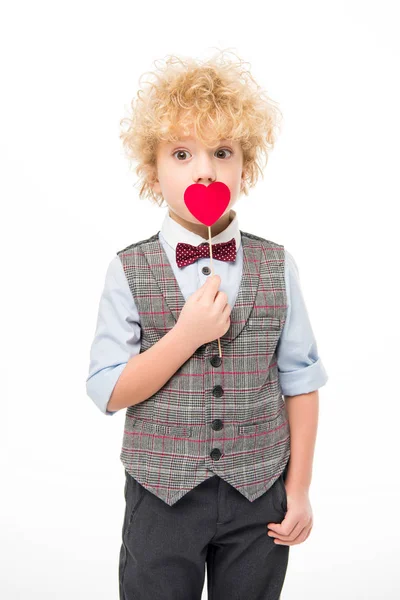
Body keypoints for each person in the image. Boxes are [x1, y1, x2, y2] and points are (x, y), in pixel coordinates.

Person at [86, 49, 328, 599]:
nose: (205, 170)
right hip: (161, 496)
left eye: (223, 152)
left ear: (247, 163)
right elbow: (107, 390)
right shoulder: (129, 270)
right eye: (181, 152)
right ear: (153, 168)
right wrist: (185, 336)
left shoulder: (277, 265)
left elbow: (302, 381)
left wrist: (300, 488)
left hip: (258, 495)